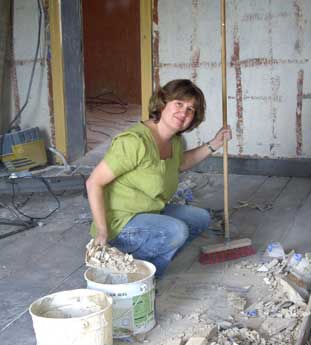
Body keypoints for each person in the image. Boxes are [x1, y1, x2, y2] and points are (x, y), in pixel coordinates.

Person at [86, 79, 231, 277]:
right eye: (179, 104)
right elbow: (94, 182)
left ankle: (148, 270)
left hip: (149, 211)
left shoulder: (174, 140)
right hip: (121, 223)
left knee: (200, 219)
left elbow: (180, 162)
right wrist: (102, 231)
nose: (184, 112)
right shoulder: (135, 142)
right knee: (176, 231)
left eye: (190, 109)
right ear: (163, 103)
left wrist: (214, 143)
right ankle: (130, 269)